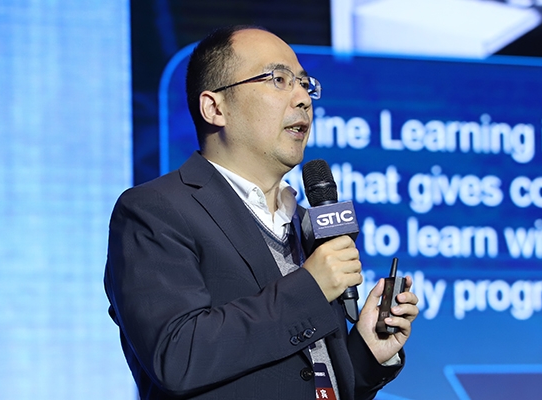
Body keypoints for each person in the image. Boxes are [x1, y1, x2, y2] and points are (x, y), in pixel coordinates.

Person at [104, 25, 419, 399]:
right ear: (215, 108)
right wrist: (311, 287)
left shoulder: (306, 224)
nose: (303, 98)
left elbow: (307, 379)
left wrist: (366, 353)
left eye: (305, 84)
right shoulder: (155, 210)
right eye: (279, 80)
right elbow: (178, 356)